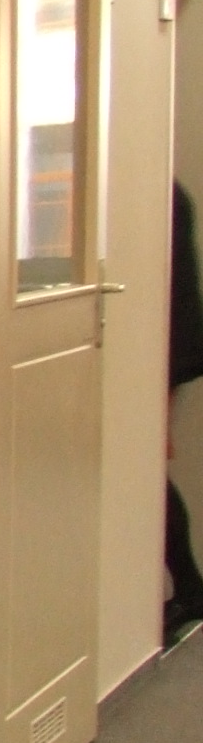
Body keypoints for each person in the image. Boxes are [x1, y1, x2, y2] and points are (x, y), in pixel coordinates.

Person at [166, 180, 203, 643]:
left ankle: (190, 587)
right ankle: (189, 587)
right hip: (172, 345)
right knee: (151, 467)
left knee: (150, 467)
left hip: (170, 348)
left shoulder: (164, 193)